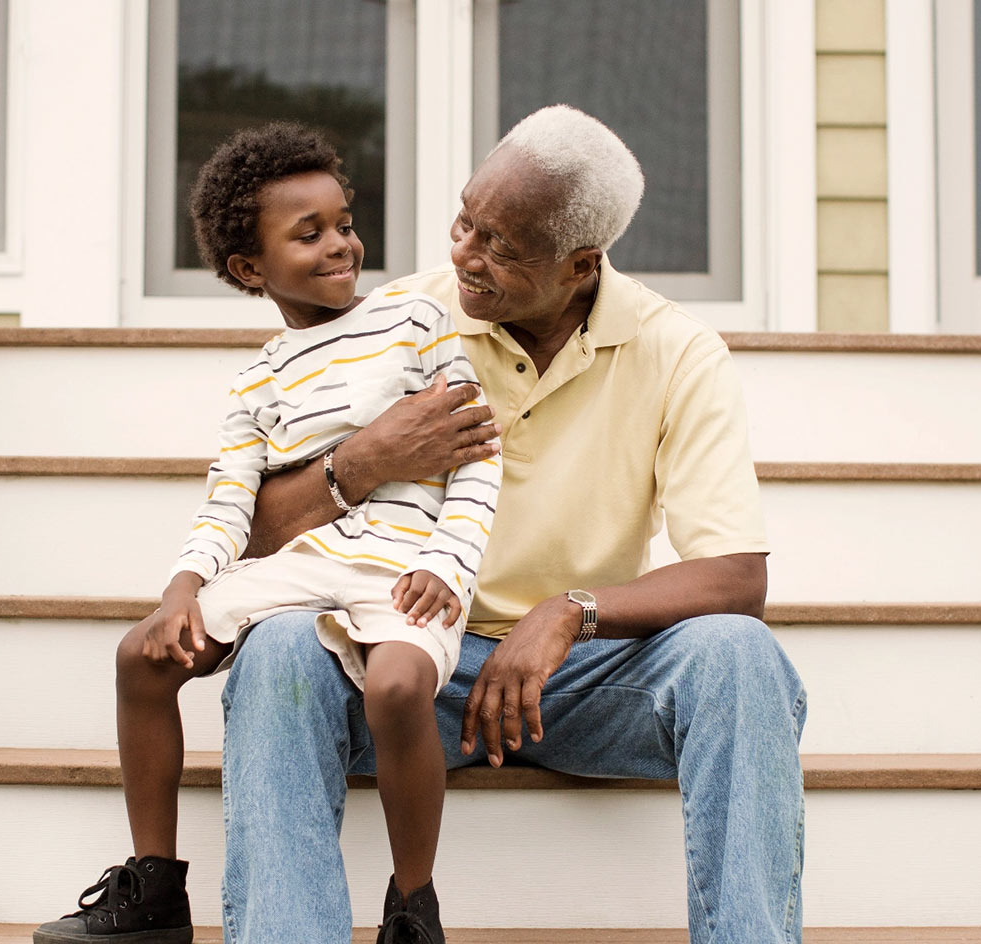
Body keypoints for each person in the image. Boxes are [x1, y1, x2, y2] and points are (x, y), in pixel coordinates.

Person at [216, 105, 807, 944]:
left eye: (500, 245)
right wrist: (362, 462)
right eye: (465, 220)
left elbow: (737, 578)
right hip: (408, 664)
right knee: (277, 650)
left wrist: (570, 612)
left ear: (580, 264)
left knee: (742, 659)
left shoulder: (678, 352)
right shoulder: (397, 321)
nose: (464, 253)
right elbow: (254, 533)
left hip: (583, 680)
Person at [33, 122, 501, 944]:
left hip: (403, 564)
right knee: (140, 657)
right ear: (251, 268)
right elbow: (229, 500)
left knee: (397, 690)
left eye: (344, 223)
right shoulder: (260, 375)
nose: (341, 245)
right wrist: (183, 587)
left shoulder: (416, 321)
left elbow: (479, 460)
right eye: (308, 233)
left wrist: (449, 567)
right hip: (304, 564)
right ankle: (154, 887)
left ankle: (413, 902)